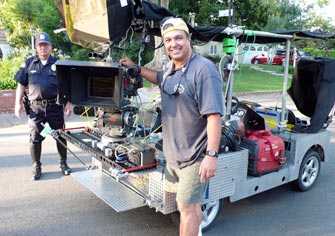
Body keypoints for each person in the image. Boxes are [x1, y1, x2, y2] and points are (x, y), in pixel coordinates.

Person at [120, 17, 224, 236]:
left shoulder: (204, 70)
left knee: (186, 208)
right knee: (186, 205)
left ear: (189, 39)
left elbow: (214, 117)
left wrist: (211, 156)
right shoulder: (170, 68)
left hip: (195, 156)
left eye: (178, 38)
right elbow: (158, 78)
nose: (173, 44)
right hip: (173, 155)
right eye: (168, 40)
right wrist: (136, 68)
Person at [14, 32, 72, 181]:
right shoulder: (29, 63)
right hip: (35, 109)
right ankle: (36, 166)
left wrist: (68, 103)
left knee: (60, 136)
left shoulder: (59, 64)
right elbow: (21, 84)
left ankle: (63, 163)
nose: (43, 48)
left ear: (50, 46)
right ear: (36, 47)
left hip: (55, 107)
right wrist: (18, 103)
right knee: (35, 138)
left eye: (45, 45)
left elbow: (66, 85)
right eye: (40, 45)